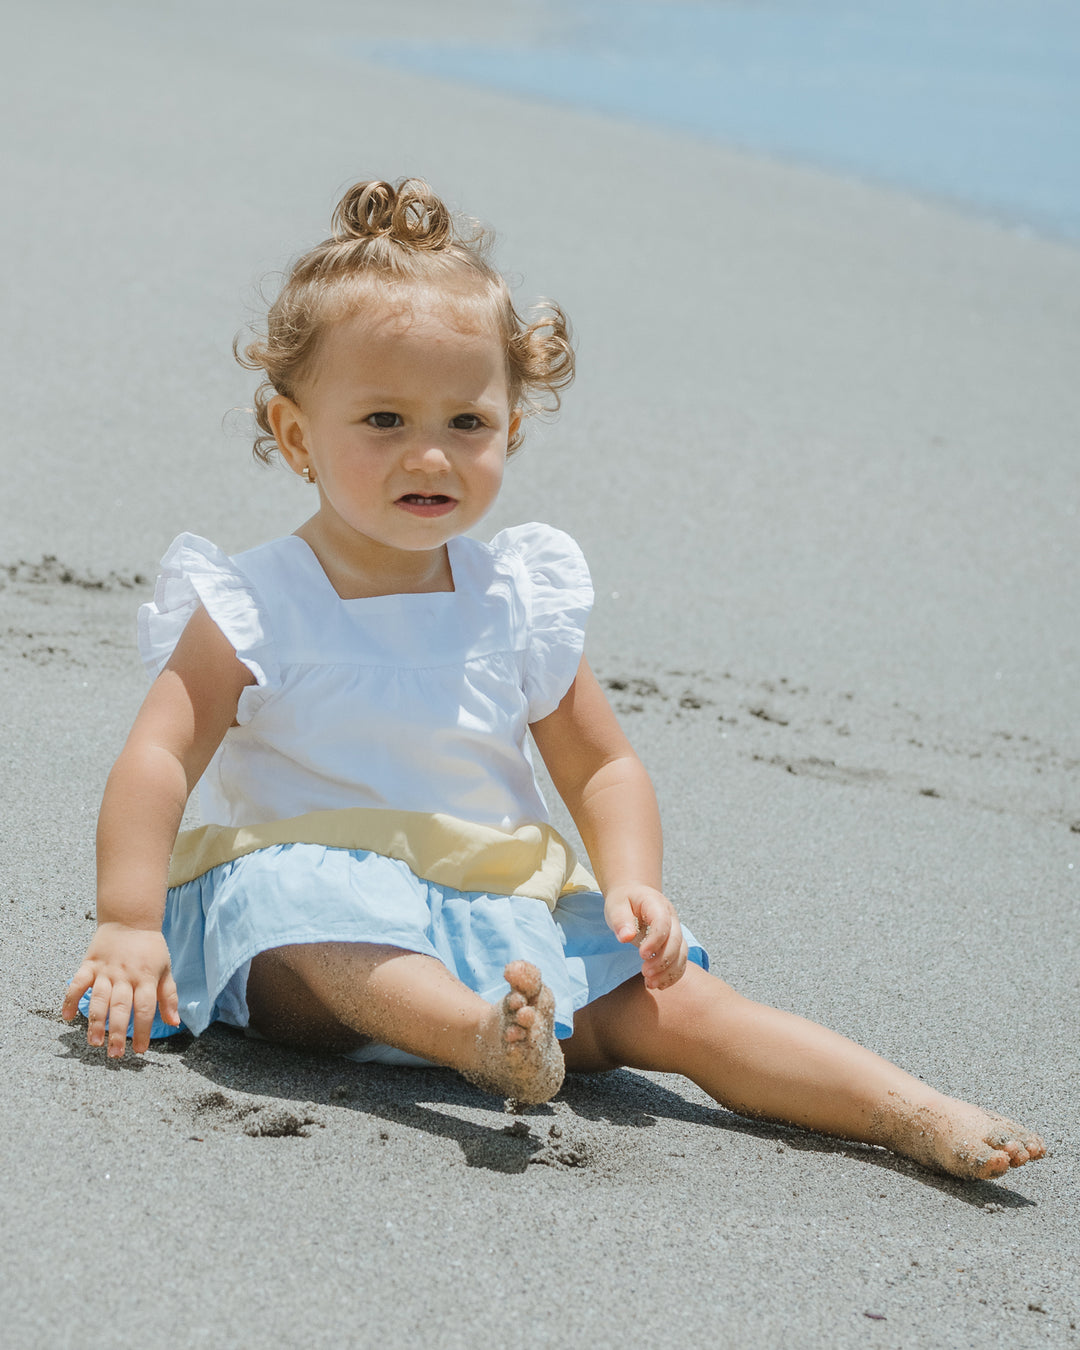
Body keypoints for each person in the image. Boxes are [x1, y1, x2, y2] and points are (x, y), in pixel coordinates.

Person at [63, 177, 1044, 1182]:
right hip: (305, 933)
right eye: (385, 420)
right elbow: (160, 756)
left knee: (686, 1007)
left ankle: (911, 1111)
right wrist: (129, 921)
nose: (432, 453)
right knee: (315, 924)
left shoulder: (515, 598)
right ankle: (475, 1038)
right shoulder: (252, 601)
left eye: (469, 423)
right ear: (298, 434)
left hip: (497, 910)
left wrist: (632, 884)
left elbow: (602, 765)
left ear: (514, 427)